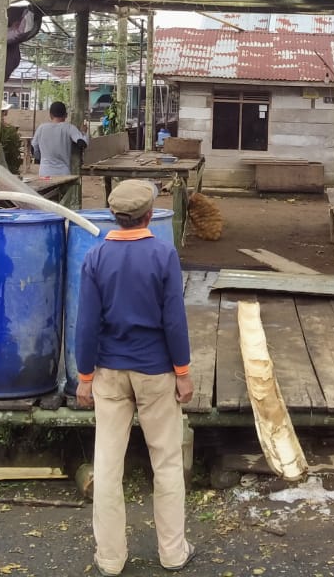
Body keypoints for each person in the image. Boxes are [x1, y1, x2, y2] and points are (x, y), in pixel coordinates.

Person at [75, 179, 195, 575]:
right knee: (166, 463)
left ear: (115, 215)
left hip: (109, 374)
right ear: (149, 216)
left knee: (108, 466)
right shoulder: (164, 255)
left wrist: (84, 377)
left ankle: (110, 559)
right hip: (156, 372)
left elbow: (87, 324)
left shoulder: (95, 257)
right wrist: (183, 372)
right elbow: (174, 322)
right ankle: (173, 553)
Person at [31, 100, 88, 177]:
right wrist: (84, 133)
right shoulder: (69, 128)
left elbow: (33, 148)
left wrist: (40, 158)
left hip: (44, 172)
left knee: (47, 189)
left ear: (50, 115)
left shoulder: (41, 128)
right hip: (62, 173)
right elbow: (82, 143)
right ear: (66, 115)